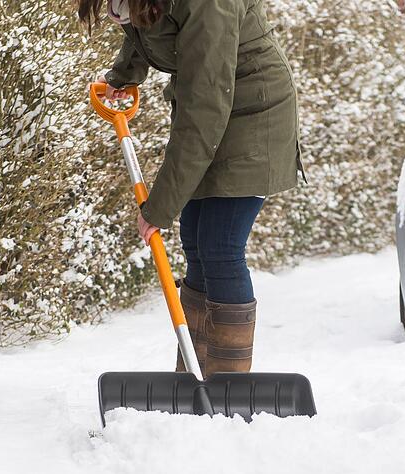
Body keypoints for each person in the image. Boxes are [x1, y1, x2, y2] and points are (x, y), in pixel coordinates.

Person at [78, 0, 304, 376]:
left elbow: (204, 106)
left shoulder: (209, 4)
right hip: (213, 106)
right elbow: (147, 26)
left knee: (220, 245)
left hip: (253, 113)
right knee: (196, 243)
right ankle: (197, 376)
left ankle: (228, 384)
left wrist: (159, 207)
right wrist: (123, 77)